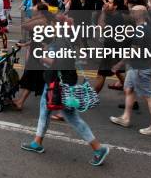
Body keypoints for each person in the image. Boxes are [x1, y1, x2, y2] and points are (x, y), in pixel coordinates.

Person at [20, 31, 110, 166]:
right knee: (44, 112)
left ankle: (98, 148)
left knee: (72, 118)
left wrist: (43, 58)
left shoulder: (59, 43)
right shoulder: (63, 41)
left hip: (59, 86)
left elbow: (59, 63)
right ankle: (37, 142)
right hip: (56, 83)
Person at [110, 5, 151, 136]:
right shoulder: (145, 28)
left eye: (133, 11)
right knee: (129, 90)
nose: (131, 13)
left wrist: (119, 64)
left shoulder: (141, 30)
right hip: (136, 67)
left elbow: (134, 50)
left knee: (149, 96)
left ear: (139, 14)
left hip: (139, 68)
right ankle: (126, 118)